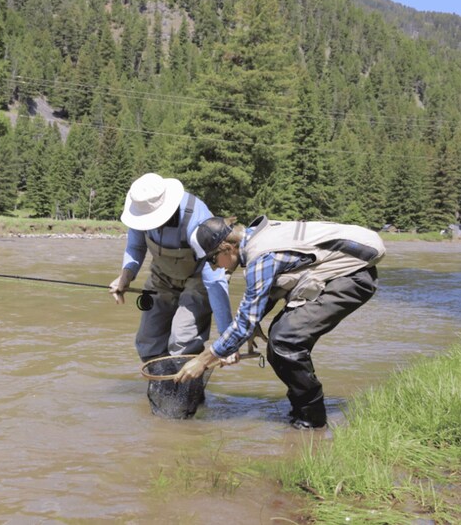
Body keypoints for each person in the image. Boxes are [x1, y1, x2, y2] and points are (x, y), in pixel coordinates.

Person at [175, 215, 385, 429]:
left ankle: (312, 421)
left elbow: (245, 320)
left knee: (286, 340)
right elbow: (268, 292)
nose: (214, 268)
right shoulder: (255, 239)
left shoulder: (260, 255)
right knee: (279, 342)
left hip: (354, 278)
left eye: (212, 260)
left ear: (228, 248)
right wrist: (253, 326)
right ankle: (300, 411)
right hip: (343, 273)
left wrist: (204, 360)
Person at [109, 173, 232, 417]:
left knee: (182, 342)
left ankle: (186, 404)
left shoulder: (197, 218)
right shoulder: (140, 211)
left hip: (198, 278)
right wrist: (125, 278)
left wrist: (229, 337)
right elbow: (135, 247)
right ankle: (168, 395)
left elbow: (215, 279)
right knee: (147, 341)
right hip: (161, 277)